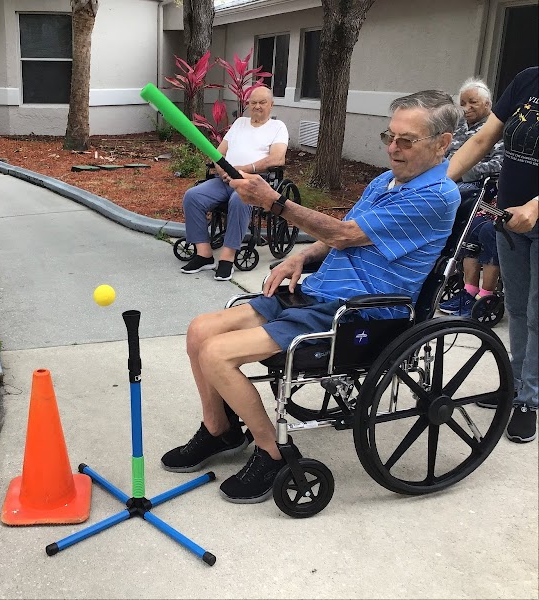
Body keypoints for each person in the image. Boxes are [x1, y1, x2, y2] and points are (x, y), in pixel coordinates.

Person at [162, 90, 461, 503]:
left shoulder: (436, 196)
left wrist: (274, 202)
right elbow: (341, 234)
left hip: (358, 313)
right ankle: (220, 431)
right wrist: (301, 255)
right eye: (389, 136)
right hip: (320, 294)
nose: (393, 148)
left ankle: (274, 453)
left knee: (218, 353)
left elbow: (345, 234)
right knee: (200, 331)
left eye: (405, 141)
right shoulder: (385, 180)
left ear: (442, 143)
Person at [448, 66, 539, 444]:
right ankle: (516, 384)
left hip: (533, 212)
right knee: (517, 308)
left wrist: (536, 204)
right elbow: (484, 138)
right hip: (509, 217)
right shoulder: (527, 79)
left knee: (537, 314)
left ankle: (529, 401)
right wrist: (437, 180)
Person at [180, 86, 288, 281]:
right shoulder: (239, 123)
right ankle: (203, 254)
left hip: (255, 182)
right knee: (193, 196)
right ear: (248, 105)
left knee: (240, 200)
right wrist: (223, 170)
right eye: (253, 102)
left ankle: (227, 258)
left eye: (262, 102)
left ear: (271, 105)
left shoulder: (278, 127)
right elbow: (218, 154)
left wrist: (242, 171)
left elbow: (277, 159)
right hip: (226, 179)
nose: (257, 106)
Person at [440, 77, 504, 316]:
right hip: (453, 181)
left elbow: (498, 164)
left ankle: (477, 294)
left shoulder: (496, 129)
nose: (466, 108)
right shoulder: (458, 126)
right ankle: (463, 286)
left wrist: (460, 173)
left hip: (478, 187)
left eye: (472, 103)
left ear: (487, 104)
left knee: (445, 199)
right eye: (463, 103)